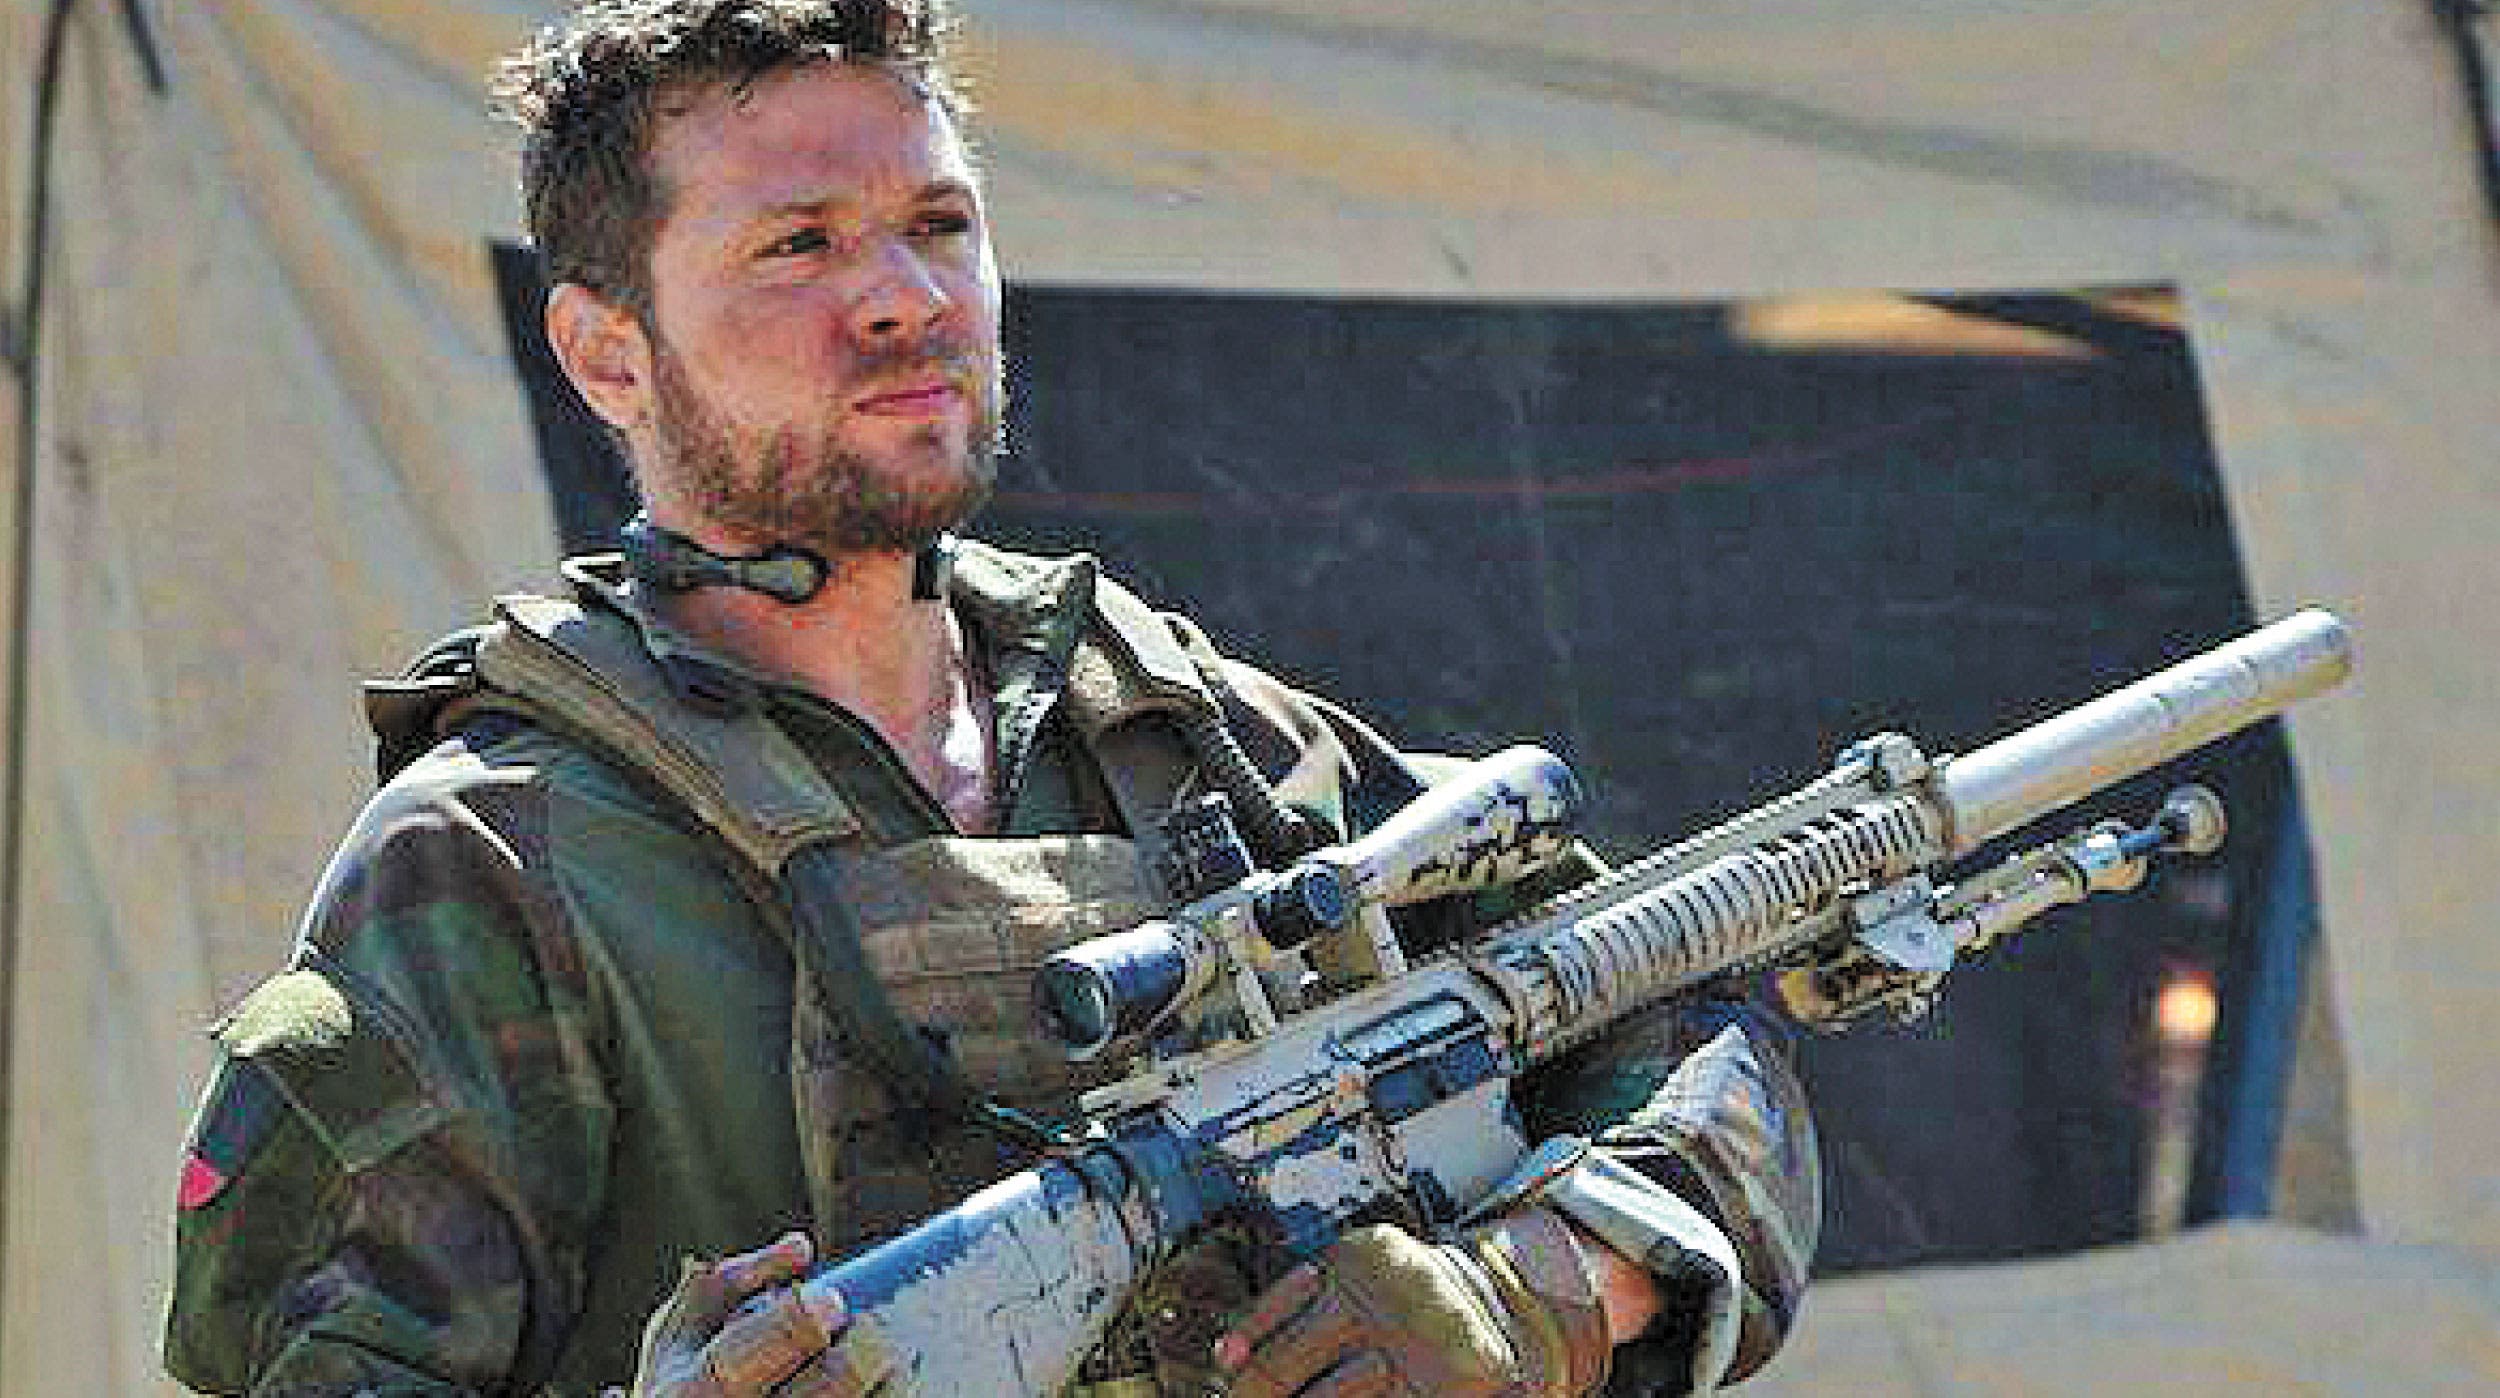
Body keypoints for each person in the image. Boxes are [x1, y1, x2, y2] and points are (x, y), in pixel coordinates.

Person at [162, 3, 1819, 1394]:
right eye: (800, 244)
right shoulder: (498, 861)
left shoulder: (1190, 736)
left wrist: (1543, 1287)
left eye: (940, 224)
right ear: (609, 353)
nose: (906, 295)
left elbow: (1686, 1011)